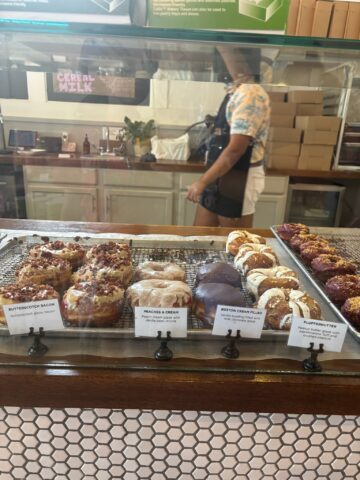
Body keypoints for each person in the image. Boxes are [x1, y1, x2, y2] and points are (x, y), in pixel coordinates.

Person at [186, 46, 270, 228]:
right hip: (221, 172)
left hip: (239, 176)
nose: (223, 61)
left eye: (226, 53)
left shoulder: (250, 94)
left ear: (243, 58)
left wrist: (202, 181)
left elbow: (236, 150)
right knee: (198, 237)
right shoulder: (236, 90)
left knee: (234, 243)